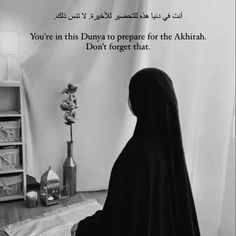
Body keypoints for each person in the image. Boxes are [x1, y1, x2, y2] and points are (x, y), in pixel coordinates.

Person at [71, 68, 201, 236]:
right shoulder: (171, 152)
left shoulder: (135, 155)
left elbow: (116, 219)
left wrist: (84, 228)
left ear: (139, 101)